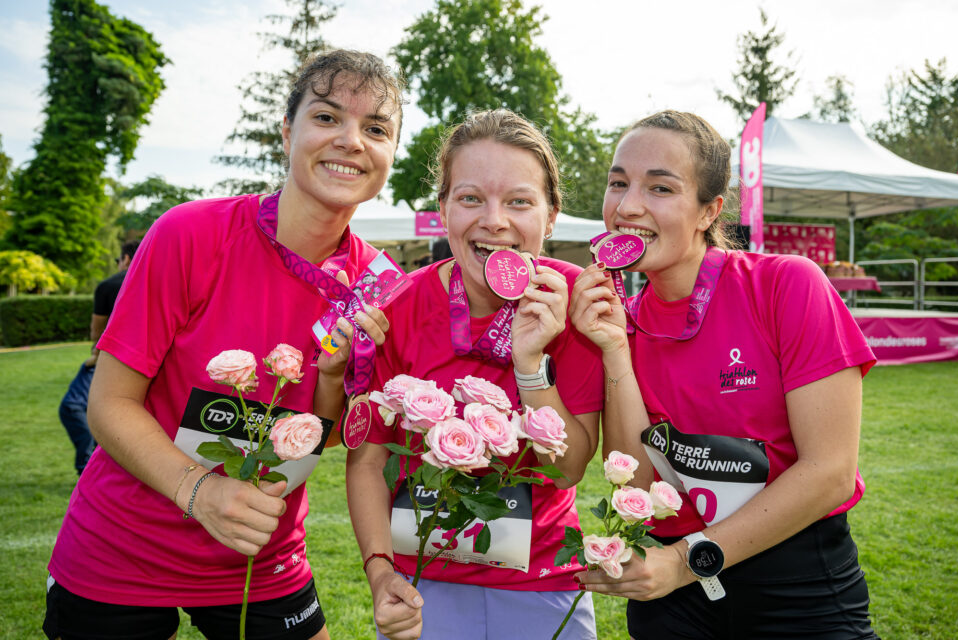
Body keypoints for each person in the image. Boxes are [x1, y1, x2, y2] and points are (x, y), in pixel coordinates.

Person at [43, 49, 403, 640]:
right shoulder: (190, 233)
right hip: (120, 551)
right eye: (327, 117)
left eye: (375, 128)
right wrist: (201, 492)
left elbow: (319, 439)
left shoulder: (378, 287)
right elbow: (108, 404)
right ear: (287, 133)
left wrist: (333, 383)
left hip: (260, 556)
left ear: (390, 155)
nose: (350, 141)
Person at [568, 110, 879, 639]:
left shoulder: (786, 286)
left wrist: (688, 560)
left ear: (708, 211)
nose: (627, 206)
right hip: (673, 599)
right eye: (618, 183)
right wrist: (617, 352)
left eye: (660, 187)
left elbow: (829, 473)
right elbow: (638, 481)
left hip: (796, 579)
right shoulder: (619, 322)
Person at [346, 109, 604, 640]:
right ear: (442, 210)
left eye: (519, 201)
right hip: (421, 581)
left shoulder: (574, 301)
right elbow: (368, 462)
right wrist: (379, 572)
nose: (495, 221)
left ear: (551, 215)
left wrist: (531, 365)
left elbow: (568, 470)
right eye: (470, 198)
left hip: (543, 581)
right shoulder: (397, 305)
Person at [58, 240, 139, 475]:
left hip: (112, 358)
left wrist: (95, 353)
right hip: (154, 362)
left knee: (72, 406)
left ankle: (89, 464)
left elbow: (97, 330)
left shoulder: (109, 285)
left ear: (125, 258)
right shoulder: (165, 281)